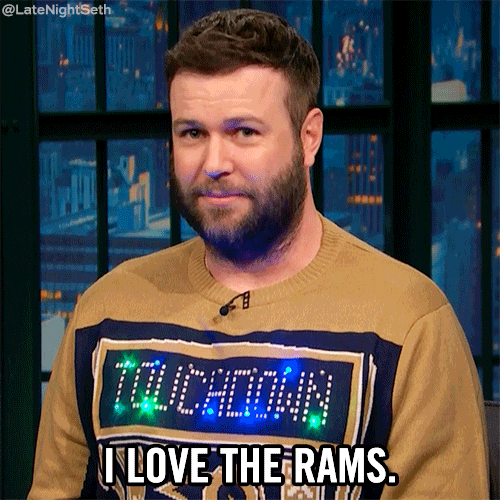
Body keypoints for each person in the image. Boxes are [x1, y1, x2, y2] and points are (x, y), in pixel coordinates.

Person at [28, 8, 489, 500]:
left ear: (309, 138)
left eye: (244, 132)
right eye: (192, 133)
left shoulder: (408, 325)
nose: (214, 164)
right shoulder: (104, 313)